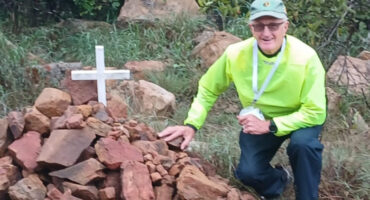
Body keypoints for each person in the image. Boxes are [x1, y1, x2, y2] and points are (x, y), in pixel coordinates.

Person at [158, 0, 326, 199]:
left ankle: (307, 195)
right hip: (259, 120)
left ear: (285, 26)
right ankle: (279, 181)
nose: (266, 33)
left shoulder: (306, 57)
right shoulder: (236, 54)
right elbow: (208, 88)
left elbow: (315, 112)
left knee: (303, 145)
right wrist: (191, 124)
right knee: (248, 173)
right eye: (259, 26)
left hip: (301, 118)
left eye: (273, 25)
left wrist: (271, 125)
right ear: (251, 27)